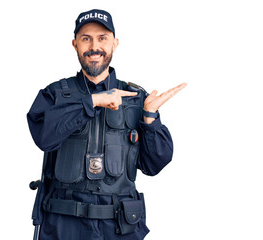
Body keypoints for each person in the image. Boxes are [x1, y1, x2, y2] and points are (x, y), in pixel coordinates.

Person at [27, 9, 186, 240]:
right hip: (63, 225)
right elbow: (44, 137)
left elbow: (153, 166)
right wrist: (91, 102)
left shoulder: (135, 99)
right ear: (75, 44)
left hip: (119, 227)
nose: (94, 46)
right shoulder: (54, 95)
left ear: (115, 43)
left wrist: (150, 118)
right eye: (86, 38)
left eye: (102, 38)